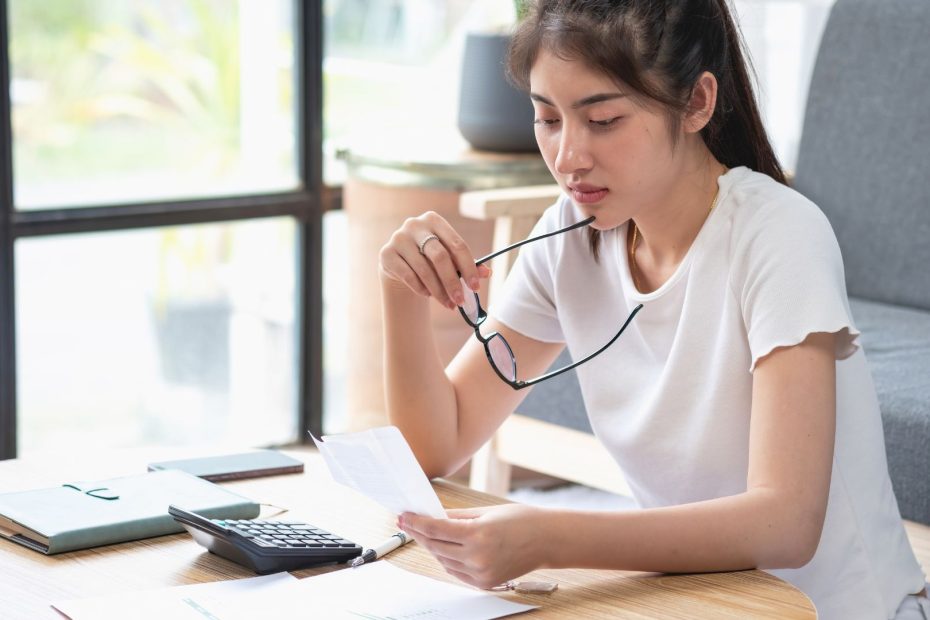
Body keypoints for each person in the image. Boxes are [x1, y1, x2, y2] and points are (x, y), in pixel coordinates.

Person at [377, 1, 928, 618]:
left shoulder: (777, 234)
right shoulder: (571, 234)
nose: (568, 157)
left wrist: (550, 537)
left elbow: (785, 523)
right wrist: (401, 291)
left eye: (603, 119)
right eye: (547, 118)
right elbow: (434, 446)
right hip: (703, 602)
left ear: (696, 102)